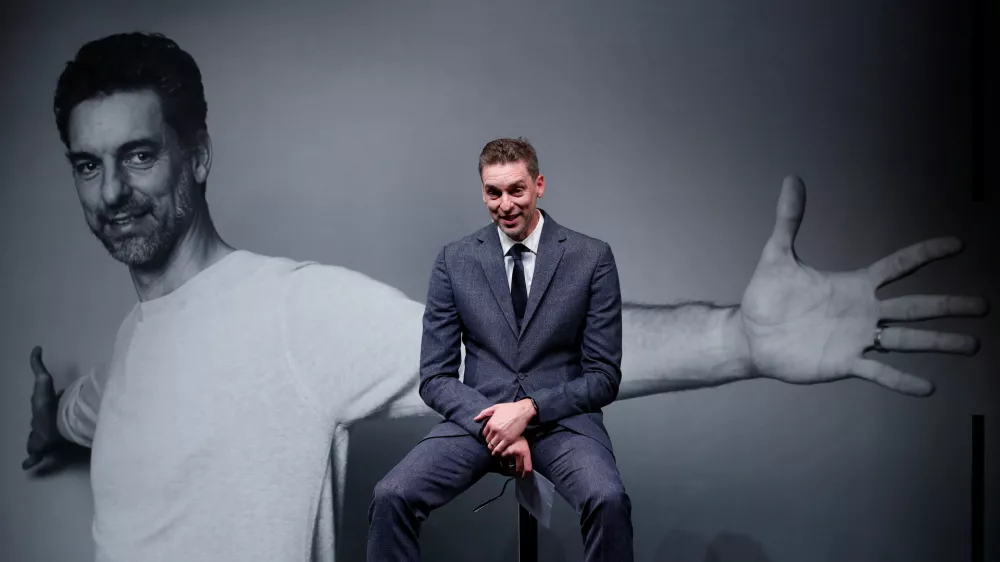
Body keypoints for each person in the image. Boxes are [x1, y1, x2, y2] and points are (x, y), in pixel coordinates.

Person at [21, 32, 987, 562]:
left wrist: (738, 339)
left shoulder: (288, 314)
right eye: (88, 166)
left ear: (195, 157)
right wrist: (49, 422)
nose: (112, 193)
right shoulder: (129, 354)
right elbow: (86, 417)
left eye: (139, 156)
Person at [367, 137, 634, 561]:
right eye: (494, 192)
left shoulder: (591, 257)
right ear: (483, 191)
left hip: (561, 423)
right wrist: (495, 426)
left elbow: (604, 377)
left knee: (608, 500)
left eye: (516, 190)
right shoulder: (453, 260)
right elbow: (434, 377)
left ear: (539, 185)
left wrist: (528, 410)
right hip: (479, 420)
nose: (505, 204)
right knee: (391, 495)